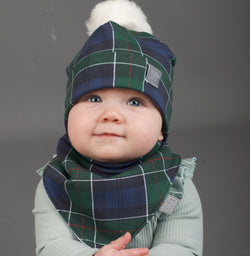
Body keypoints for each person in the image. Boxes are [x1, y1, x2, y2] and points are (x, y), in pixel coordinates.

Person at [33, 1, 203, 255]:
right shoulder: (57, 182)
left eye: (135, 102)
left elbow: (181, 246)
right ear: (69, 115)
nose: (110, 114)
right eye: (93, 99)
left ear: (161, 128)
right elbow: (51, 246)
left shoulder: (173, 186)